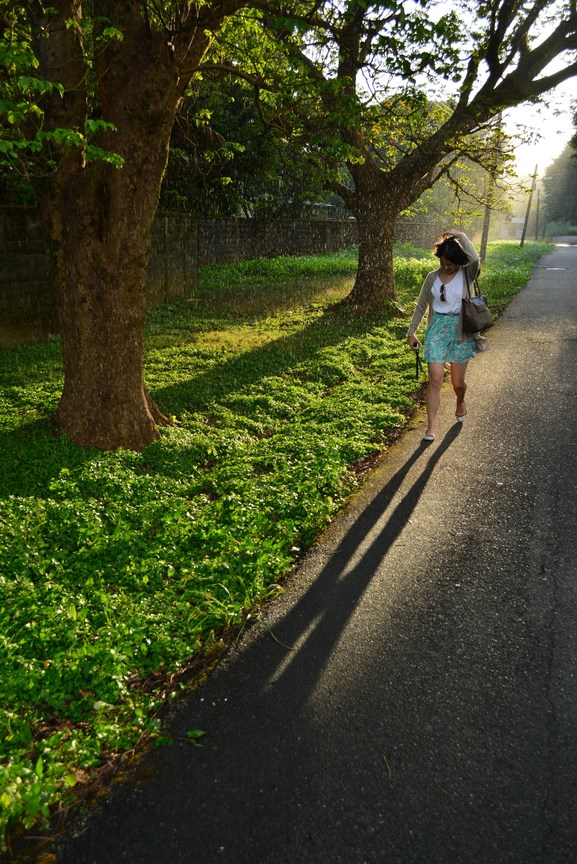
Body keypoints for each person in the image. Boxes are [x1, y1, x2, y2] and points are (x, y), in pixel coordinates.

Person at [406, 229, 482, 442]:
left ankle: (460, 401)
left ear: (459, 261)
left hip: (461, 329)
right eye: (442, 264)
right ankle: (431, 427)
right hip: (437, 328)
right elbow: (421, 307)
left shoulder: (467, 274)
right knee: (435, 380)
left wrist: (460, 236)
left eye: (450, 264)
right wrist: (411, 332)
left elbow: (475, 258)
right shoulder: (432, 278)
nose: (446, 268)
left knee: (458, 383)